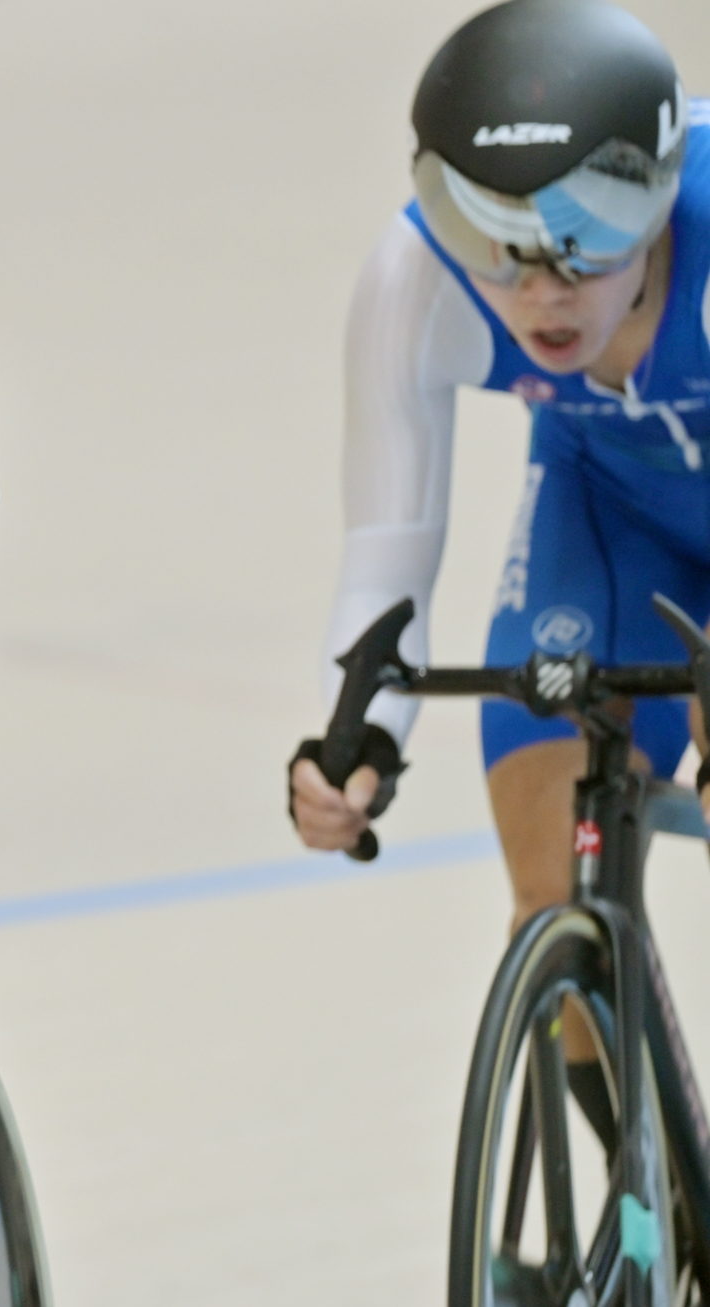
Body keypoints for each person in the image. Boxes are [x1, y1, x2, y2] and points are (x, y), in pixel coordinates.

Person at [289, 0, 699, 1124]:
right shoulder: (412, 279)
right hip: (605, 521)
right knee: (548, 892)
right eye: (498, 250)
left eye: (582, 243)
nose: (540, 293)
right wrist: (359, 733)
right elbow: (389, 547)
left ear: (657, 202)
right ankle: (650, 1231)